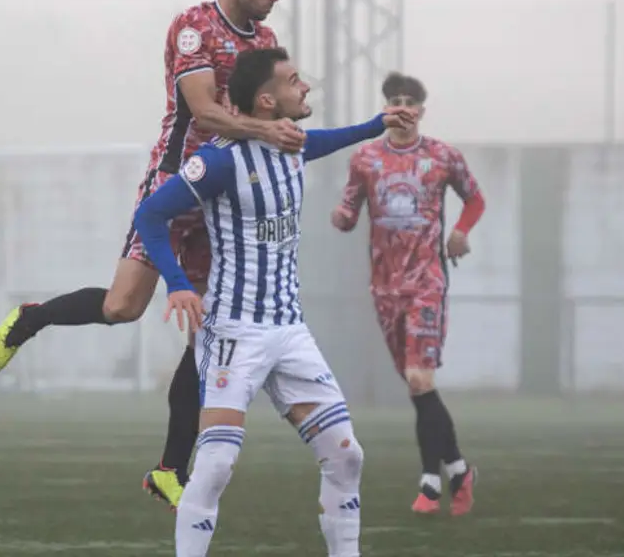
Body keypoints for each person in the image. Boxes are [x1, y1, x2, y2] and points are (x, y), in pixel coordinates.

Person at [0, 0, 305, 509]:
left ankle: (169, 469)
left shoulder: (270, 43)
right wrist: (265, 131)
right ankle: (31, 319)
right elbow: (203, 110)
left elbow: (269, 110)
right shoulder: (193, 27)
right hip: (179, 182)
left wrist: (294, 122)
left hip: (229, 198)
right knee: (121, 307)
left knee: (210, 328)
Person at [133, 47, 417, 557]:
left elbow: (325, 141)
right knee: (216, 464)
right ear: (266, 100)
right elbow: (151, 215)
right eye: (294, 80)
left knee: (346, 456)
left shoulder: (292, 144)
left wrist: (377, 123)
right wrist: (176, 282)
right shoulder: (218, 160)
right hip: (233, 333)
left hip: (289, 332)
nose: (304, 87)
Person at [329, 72, 486, 516]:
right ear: (385, 108)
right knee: (417, 387)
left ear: (420, 110)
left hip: (426, 282)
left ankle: (430, 483)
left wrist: (459, 231)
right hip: (384, 286)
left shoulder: (442, 157)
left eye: (410, 101)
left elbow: (475, 200)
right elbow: (349, 209)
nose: (403, 107)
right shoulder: (365, 159)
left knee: (420, 378)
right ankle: (456, 469)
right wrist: (339, 217)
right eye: (394, 100)